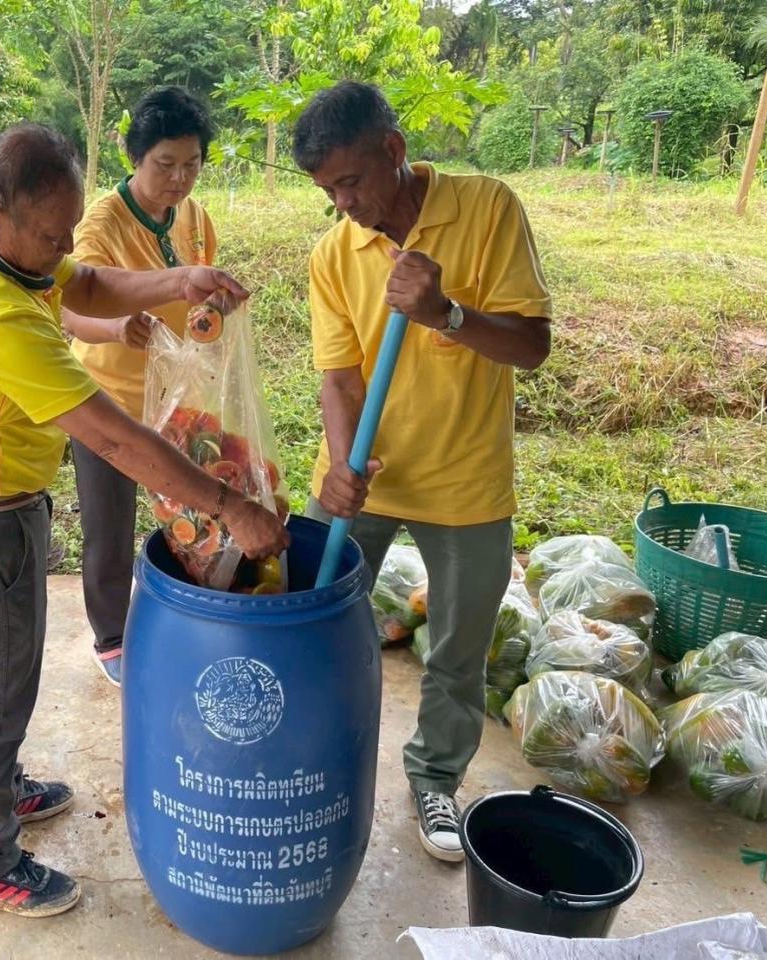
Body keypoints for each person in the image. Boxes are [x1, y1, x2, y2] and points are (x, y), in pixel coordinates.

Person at [0, 122, 289, 918]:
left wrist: (180, 278)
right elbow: (117, 438)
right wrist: (229, 505)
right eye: (50, 237)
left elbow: (83, 285)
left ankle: (2, 790)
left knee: (7, 679)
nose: (60, 250)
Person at [291, 82, 552, 862]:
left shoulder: (488, 209)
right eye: (327, 191)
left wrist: (447, 314)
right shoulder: (334, 253)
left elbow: (533, 347)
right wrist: (341, 465)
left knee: (457, 650)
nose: (343, 204)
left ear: (394, 153)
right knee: (313, 624)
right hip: (364, 477)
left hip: (467, 481)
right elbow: (338, 378)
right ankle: (309, 762)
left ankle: (435, 778)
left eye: (350, 182)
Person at [63, 86, 218, 686]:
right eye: (165, 165)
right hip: (107, 397)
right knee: (109, 523)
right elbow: (68, 309)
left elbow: (197, 298)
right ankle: (112, 639)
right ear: (135, 158)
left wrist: (209, 317)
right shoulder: (101, 222)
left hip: (178, 397)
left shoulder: (196, 218)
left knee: (193, 513)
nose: (179, 179)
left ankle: (186, 613)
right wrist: (116, 327)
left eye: (191, 164)